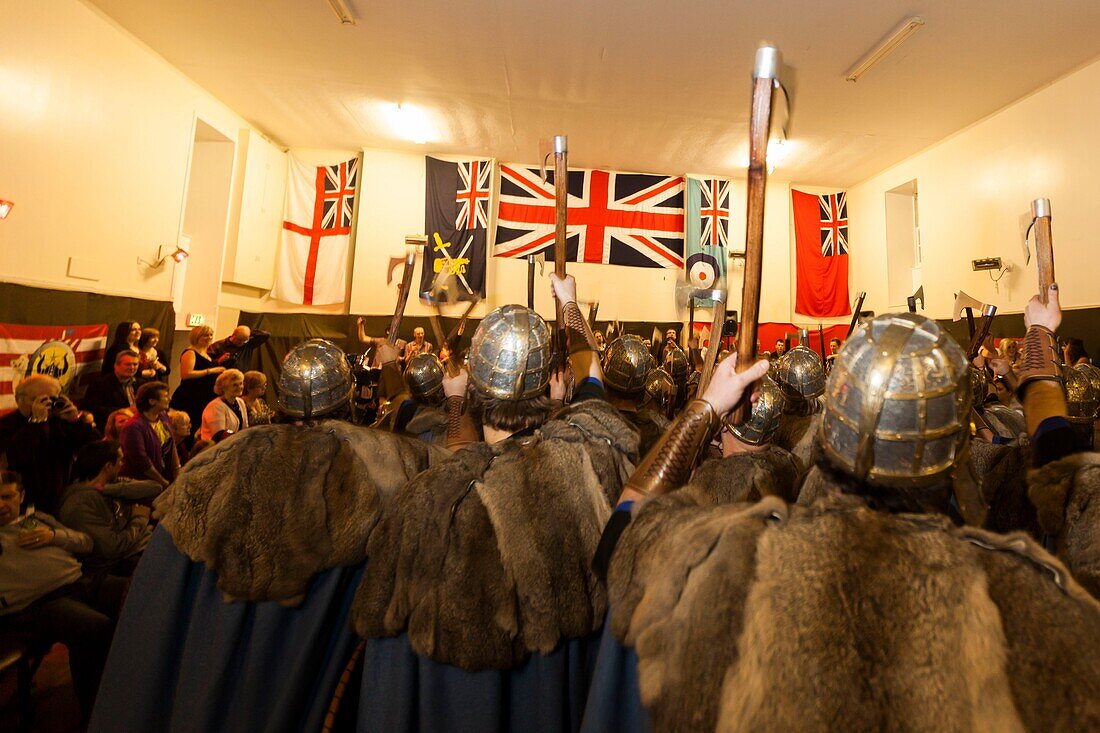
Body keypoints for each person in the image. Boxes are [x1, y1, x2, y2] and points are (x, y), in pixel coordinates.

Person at [584, 305, 1100, 732]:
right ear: (955, 449)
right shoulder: (1037, 604)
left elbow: (628, 523)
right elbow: (1067, 473)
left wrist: (705, 409)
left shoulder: (729, 562)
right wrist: (1037, 340)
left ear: (829, 430)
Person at [89, 339, 447, 733]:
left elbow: (155, 614)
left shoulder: (211, 468)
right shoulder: (394, 468)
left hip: (203, 676)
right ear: (347, 398)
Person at [350, 274, 639, 731]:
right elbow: (590, 375)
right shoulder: (590, 459)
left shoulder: (430, 499)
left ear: (476, 390)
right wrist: (569, 304)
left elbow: (410, 412)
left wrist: (450, 402)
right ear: (548, 386)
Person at [0, 471, 123, 721]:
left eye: (7, 496)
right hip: (38, 603)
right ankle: (99, 713)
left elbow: (86, 543)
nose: (1, 504)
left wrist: (54, 536)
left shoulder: (38, 519)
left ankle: (136, 688)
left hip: (79, 582)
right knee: (96, 628)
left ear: (20, 496)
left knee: (134, 593)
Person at [0, 375, 99, 513]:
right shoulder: (5, 425)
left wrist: (75, 421)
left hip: (63, 499)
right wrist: (35, 424)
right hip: (26, 504)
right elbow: (13, 459)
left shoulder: (60, 421)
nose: (45, 405)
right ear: (18, 400)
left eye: (50, 399)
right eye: (36, 399)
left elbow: (93, 449)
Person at [57, 440, 152, 578]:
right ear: (108, 466)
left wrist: (107, 488)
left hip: (134, 545)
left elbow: (154, 488)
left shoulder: (112, 484)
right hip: (108, 568)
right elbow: (112, 548)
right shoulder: (80, 504)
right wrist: (139, 520)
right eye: (120, 460)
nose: (122, 464)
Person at [120, 381, 178, 491]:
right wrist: (163, 482)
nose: (169, 398)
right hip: (145, 484)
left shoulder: (162, 416)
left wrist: (177, 470)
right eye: (165, 396)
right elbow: (142, 461)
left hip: (166, 478)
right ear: (152, 401)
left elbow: (172, 444)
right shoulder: (134, 427)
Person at [169, 324, 225, 437]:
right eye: (205, 335)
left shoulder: (207, 354)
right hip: (191, 397)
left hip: (205, 397)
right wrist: (211, 370)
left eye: (210, 335)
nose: (209, 337)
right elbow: (186, 374)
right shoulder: (190, 352)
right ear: (196, 337)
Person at [81, 351, 140, 429]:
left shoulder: (141, 383)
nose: (132, 367)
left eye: (135, 364)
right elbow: (92, 408)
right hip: (112, 427)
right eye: (128, 364)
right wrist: (122, 411)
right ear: (116, 365)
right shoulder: (100, 384)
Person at [200, 369, 248, 441]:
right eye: (235, 385)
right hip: (215, 448)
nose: (239, 387)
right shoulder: (215, 406)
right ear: (224, 388)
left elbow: (245, 428)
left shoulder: (240, 402)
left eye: (241, 383)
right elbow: (219, 435)